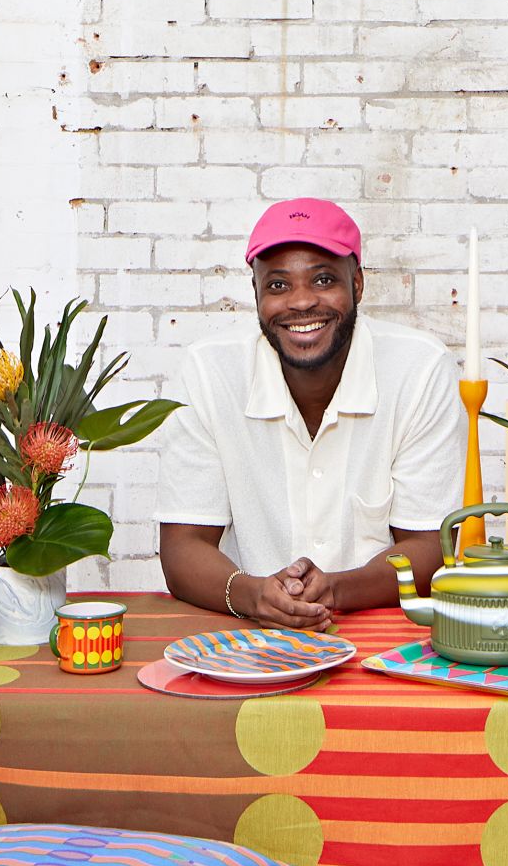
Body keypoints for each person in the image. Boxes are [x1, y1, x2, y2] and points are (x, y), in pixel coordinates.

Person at [154, 198, 465, 629]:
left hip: (384, 631)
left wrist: (334, 590)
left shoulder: (420, 369)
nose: (301, 302)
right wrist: (254, 596)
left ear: (357, 284)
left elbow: (429, 547)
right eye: (278, 285)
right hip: (248, 635)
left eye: (323, 279)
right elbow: (182, 548)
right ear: (256, 293)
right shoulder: (209, 372)